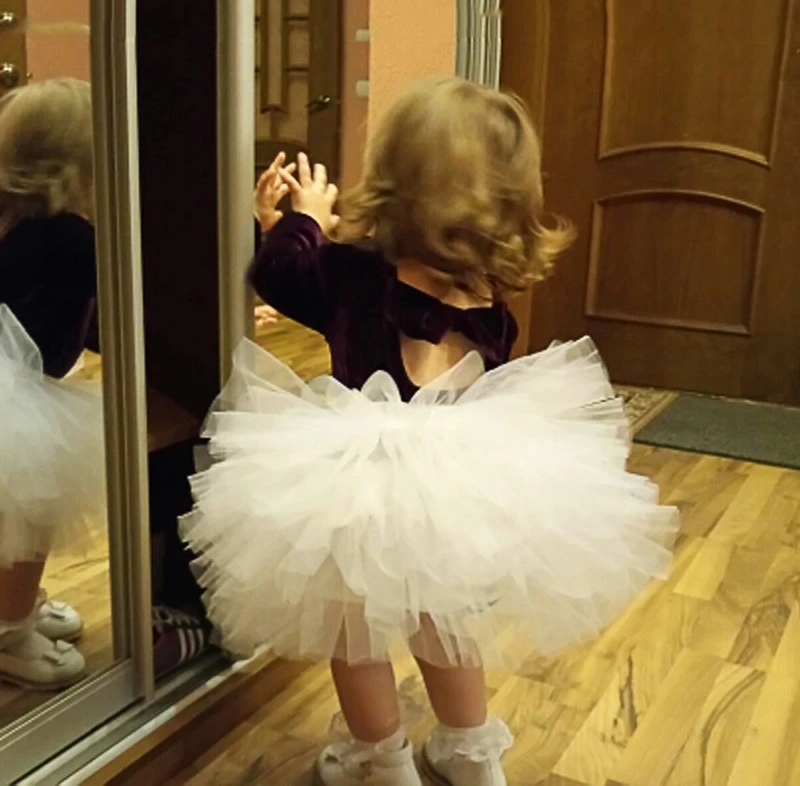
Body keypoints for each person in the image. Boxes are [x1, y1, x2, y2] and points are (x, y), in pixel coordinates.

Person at [181, 77, 678, 785]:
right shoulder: (488, 292)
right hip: (459, 483)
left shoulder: (354, 274)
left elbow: (279, 274)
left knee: (353, 633)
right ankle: (471, 755)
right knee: (444, 619)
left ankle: (380, 762)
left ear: (395, 178)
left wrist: (300, 220)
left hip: (362, 483)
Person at [0, 78, 105, 689]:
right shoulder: (67, 236)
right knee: (30, 515)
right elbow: (121, 293)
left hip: (20, 384)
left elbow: (83, 318)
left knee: (12, 517)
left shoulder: (23, 224)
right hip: (17, 395)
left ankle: (14, 607)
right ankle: (10, 631)